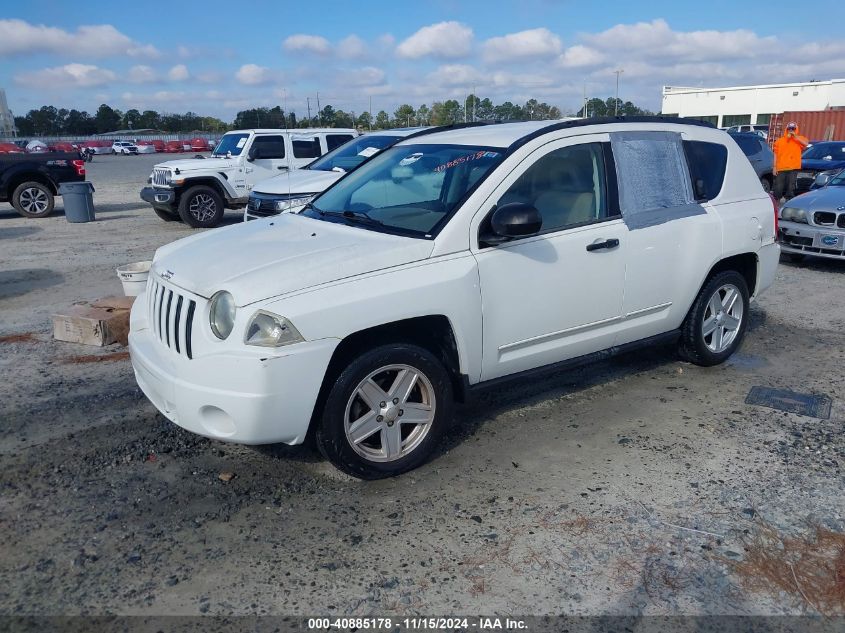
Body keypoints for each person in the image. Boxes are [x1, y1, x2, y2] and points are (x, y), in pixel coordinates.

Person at [772, 121, 808, 202]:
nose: (791, 130)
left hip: (793, 168)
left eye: (793, 128)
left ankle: (789, 201)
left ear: (796, 129)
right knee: (778, 187)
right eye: (789, 128)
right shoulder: (779, 141)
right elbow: (775, 155)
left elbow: (805, 144)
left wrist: (795, 137)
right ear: (786, 129)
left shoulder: (800, 139)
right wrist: (774, 167)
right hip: (781, 167)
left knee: (790, 187)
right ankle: (776, 201)